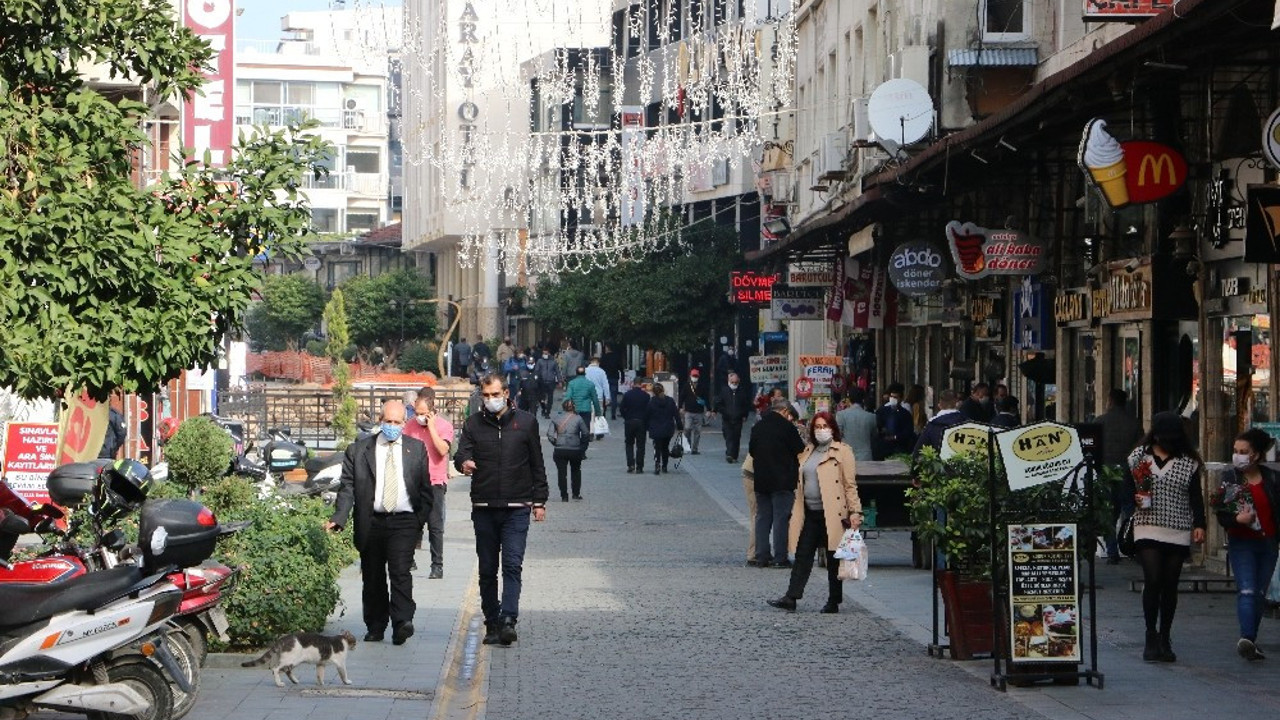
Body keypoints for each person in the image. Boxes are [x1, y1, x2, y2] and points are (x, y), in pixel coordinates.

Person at [326, 399, 433, 645]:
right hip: (371, 521)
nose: (393, 426)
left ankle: (402, 622)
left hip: (405, 520)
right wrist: (339, 517)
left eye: (397, 422)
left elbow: (426, 490)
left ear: (404, 423)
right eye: (388, 421)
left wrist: (419, 520)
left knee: (400, 571)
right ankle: (375, 625)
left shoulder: (416, 449)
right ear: (380, 421)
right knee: (373, 576)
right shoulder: (359, 450)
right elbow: (348, 487)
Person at [454, 375, 549, 646]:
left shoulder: (526, 423)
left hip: (517, 506)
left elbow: (537, 463)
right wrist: (465, 463)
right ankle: (492, 621)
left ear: (506, 393)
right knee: (486, 569)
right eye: (485, 395)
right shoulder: (474, 423)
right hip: (484, 506)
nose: (490, 400)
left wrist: (539, 501)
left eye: (495, 394)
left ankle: (509, 619)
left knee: (511, 564)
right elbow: (461, 454)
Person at [1125, 411, 1206, 663]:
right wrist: (1133, 499)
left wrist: (1199, 524)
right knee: (1154, 578)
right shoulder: (1139, 457)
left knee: (1170, 584)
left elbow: (1195, 496)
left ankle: (1165, 636)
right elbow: (1125, 488)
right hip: (1147, 523)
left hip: (1178, 526)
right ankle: (1150, 634)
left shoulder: (1189, 463)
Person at [767, 412, 862, 613]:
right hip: (809, 512)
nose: (821, 430)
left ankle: (834, 601)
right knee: (803, 554)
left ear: (833, 428)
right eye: (817, 427)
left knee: (833, 558)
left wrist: (855, 511)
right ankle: (791, 597)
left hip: (833, 513)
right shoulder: (808, 451)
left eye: (824, 426)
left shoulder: (843, 451)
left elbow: (849, 485)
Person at [1215, 429, 1280, 661]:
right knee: (1247, 589)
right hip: (1242, 542)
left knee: (1260, 593)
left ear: (1256, 455)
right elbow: (1221, 513)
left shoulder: (1272, 479)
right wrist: (1236, 520)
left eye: (1244, 452)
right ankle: (1247, 637)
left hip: (1268, 543)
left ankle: (1250, 641)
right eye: (1235, 451)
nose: (1239, 456)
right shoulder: (1231, 478)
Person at [748, 397, 806, 568]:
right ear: (785, 411)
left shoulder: (758, 426)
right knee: (781, 518)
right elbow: (799, 449)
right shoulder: (787, 427)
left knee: (762, 518)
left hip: (762, 479)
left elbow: (752, 450)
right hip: (783, 479)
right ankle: (780, 557)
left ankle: (762, 556)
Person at [404, 388, 454, 580]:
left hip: (435, 482)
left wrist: (431, 427)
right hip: (413, 482)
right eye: (416, 413)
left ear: (432, 411)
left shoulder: (443, 426)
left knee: (435, 526)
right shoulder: (410, 426)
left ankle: (437, 565)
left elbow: (443, 450)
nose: (419, 418)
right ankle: (409, 559)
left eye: (423, 414)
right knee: (411, 523)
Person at [1099, 389, 1143, 564]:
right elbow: (1141, 450)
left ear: (1109, 400)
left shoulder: (1099, 422)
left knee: (1109, 513)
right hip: (1128, 472)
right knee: (1130, 510)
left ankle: (1112, 552)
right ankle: (1133, 546)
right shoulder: (1134, 423)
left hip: (1106, 471)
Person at [546, 399, 590, 502]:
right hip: (575, 449)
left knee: (561, 473)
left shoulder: (556, 418)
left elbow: (550, 434)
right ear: (574, 407)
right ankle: (575, 493)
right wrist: (583, 447)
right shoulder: (578, 419)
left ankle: (564, 496)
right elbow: (586, 433)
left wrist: (555, 442)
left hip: (560, 449)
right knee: (576, 471)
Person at [912, 389, 967, 461]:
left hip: (939, 467)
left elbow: (919, 451)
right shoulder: (966, 423)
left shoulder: (933, 425)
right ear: (956, 402)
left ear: (940, 404)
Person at [715, 372, 754, 464]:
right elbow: (719, 403)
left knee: (736, 437)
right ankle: (729, 453)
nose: (734, 384)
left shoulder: (742, 391)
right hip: (727, 418)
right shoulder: (724, 391)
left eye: (736, 383)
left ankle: (734, 455)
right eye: (733, 382)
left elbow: (746, 405)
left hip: (738, 418)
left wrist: (745, 415)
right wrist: (721, 411)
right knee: (728, 436)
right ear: (729, 381)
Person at [644, 383, 680, 475]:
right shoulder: (670, 401)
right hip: (668, 428)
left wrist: (646, 426)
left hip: (656, 428)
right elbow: (676, 414)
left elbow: (647, 415)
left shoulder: (651, 402)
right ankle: (665, 466)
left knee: (657, 447)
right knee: (665, 447)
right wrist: (680, 426)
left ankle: (657, 464)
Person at [873, 382, 915, 459]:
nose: (893, 399)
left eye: (896, 397)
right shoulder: (882, 411)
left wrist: (895, 437)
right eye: (891, 396)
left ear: (901, 398)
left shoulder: (905, 414)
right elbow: (876, 427)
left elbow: (908, 432)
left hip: (899, 449)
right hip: (883, 449)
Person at [835, 387, 877, 461]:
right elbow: (874, 436)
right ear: (863, 400)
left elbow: (837, 435)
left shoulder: (841, 415)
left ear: (849, 399)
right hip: (865, 457)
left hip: (846, 457)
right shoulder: (871, 417)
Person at [620, 380, 651, 473]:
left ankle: (630, 464)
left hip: (629, 421)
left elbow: (622, 408)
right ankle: (639, 466)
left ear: (633, 384)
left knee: (629, 444)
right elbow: (649, 410)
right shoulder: (646, 396)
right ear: (641, 384)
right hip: (641, 422)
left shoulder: (627, 395)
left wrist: (626, 417)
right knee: (641, 445)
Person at [565, 366, 602, 444]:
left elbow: (567, 397)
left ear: (576, 373)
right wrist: (598, 412)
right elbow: (595, 399)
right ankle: (583, 449)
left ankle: (576, 447)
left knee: (575, 429)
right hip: (586, 409)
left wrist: (565, 410)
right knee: (585, 430)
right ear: (585, 373)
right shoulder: (590, 384)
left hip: (575, 410)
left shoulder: (571, 383)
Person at [679, 369, 709, 455]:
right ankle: (688, 446)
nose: (695, 377)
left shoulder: (702, 386)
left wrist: (709, 409)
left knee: (697, 431)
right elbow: (682, 397)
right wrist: (680, 407)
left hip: (699, 412)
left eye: (696, 376)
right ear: (690, 376)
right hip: (688, 411)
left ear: (698, 376)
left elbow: (706, 398)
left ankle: (695, 449)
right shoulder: (686, 386)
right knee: (687, 428)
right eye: (693, 376)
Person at [742, 454, 759, 566]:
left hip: (750, 470)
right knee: (758, 515)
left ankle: (755, 552)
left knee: (757, 514)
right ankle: (753, 553)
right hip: (755, 473)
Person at [534, 346, 560, 418]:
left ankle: (547, 412)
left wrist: (559, 380)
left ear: (549, 353)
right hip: (542, 382)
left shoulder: (553, 361)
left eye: (546, 353)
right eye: (543, 353)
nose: (545, 354)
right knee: (541, 398)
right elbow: (536, 371)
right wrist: (536, 379)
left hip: (551, 382)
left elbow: (557, 371)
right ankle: (543, 408)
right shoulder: (540, 361)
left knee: (550, 398)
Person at [600, 344, 624, 419]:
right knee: (614, 397)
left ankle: (603, 412)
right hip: (614, 378)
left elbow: (601, 368)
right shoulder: (617, 357)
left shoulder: (604, 357)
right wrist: (622, 378)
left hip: (605, 378)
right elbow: (621, 368)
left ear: (607, 348)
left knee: (604, 396)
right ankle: (613, 414)